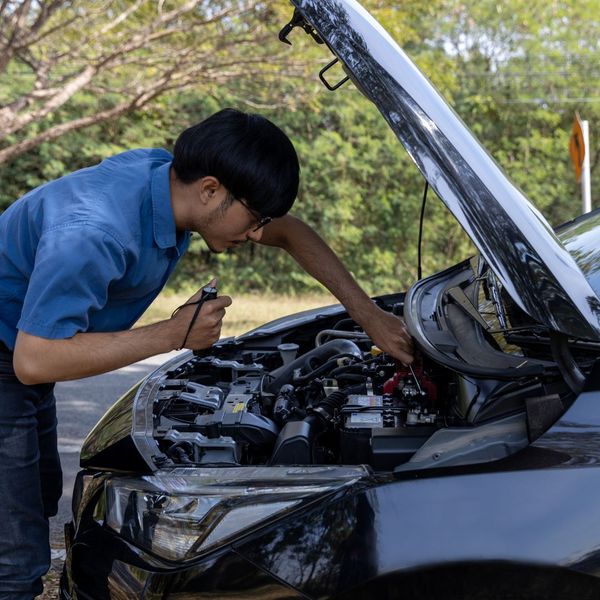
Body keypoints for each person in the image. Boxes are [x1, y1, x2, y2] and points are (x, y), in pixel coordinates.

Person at [0, 107, 412, 598]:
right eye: (254, 218)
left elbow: (289, 231)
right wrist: (173, 334)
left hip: (18, 359)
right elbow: (35, 359)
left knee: (35, 501)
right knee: (16, 558)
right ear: (212, 189)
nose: (256, 233)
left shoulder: (166, 180)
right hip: (12, 361)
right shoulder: (96, 233)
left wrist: (368, 316)